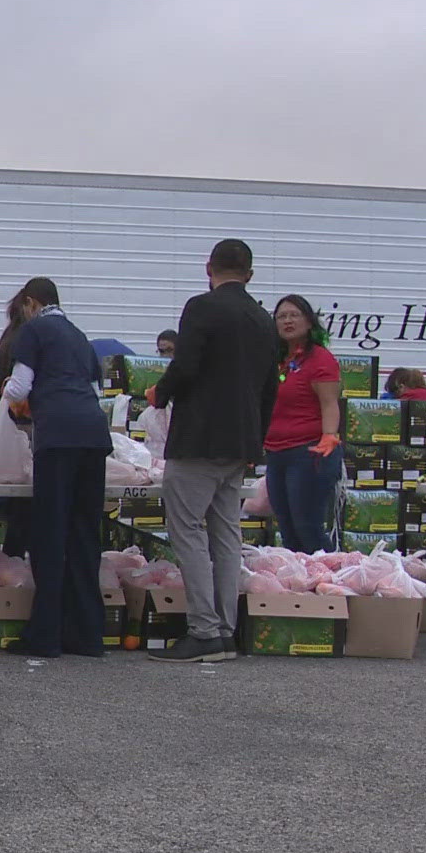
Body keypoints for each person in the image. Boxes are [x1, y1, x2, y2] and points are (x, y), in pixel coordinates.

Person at [145, 239, 279, 663]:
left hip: (199, 439)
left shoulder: (201, 308)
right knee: (226, 533)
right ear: (250, 274)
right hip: (240, 444)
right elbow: (270, 388)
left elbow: (185, 366)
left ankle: (203, 631)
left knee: (187, 529)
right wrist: (255, 438)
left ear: (209, 268)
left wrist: (159, 394)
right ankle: (225, 630)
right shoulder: (263, 318)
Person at [0, 278, 110, 658]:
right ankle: (88, 634)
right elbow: (96, 393)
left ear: (31, 303)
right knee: (84, 535)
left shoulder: (34, 330)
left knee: (50, 534)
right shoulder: (80, 336)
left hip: (58, 437)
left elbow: (18, 387)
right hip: (94, 436)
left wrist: (3, 396)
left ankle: (45, 635)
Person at [263, 295, 343, 554]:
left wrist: (329, 435)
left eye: (293, 315)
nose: (287, 321)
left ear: (309, 322)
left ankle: (328, 585)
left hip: (308, 453)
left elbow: (330, 404)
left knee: (307, 527)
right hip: (276, 453)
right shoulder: (275, 359)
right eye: (281, 317)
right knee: (286, 529)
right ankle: (297, 586)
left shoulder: (320, 359)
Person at [0, 294, 34, 559]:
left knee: (18, 516)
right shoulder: (27, 340)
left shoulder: (7, 339)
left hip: (7, 436)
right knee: (27, 513)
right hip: (24, 436)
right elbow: (19, 390)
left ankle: (12, 564)